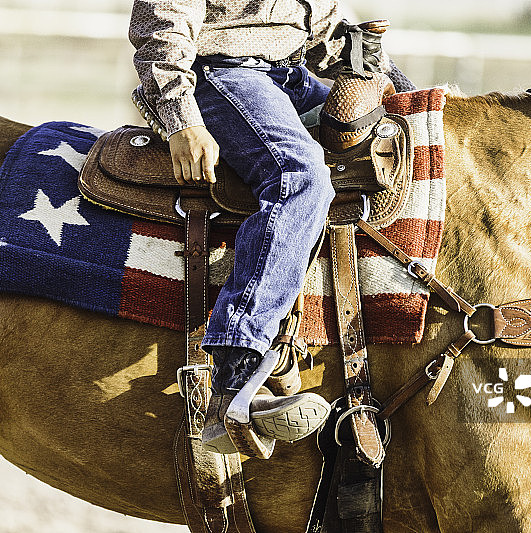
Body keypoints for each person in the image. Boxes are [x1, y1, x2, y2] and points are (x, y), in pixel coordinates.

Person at [128, 0, 395, 455]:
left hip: (290, 77)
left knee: (397, 128)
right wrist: (182, 119)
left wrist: (378, 72)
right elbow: (163, 22)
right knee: (301, 177)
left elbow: (319, 26)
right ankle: (236, 366)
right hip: (223, 75)